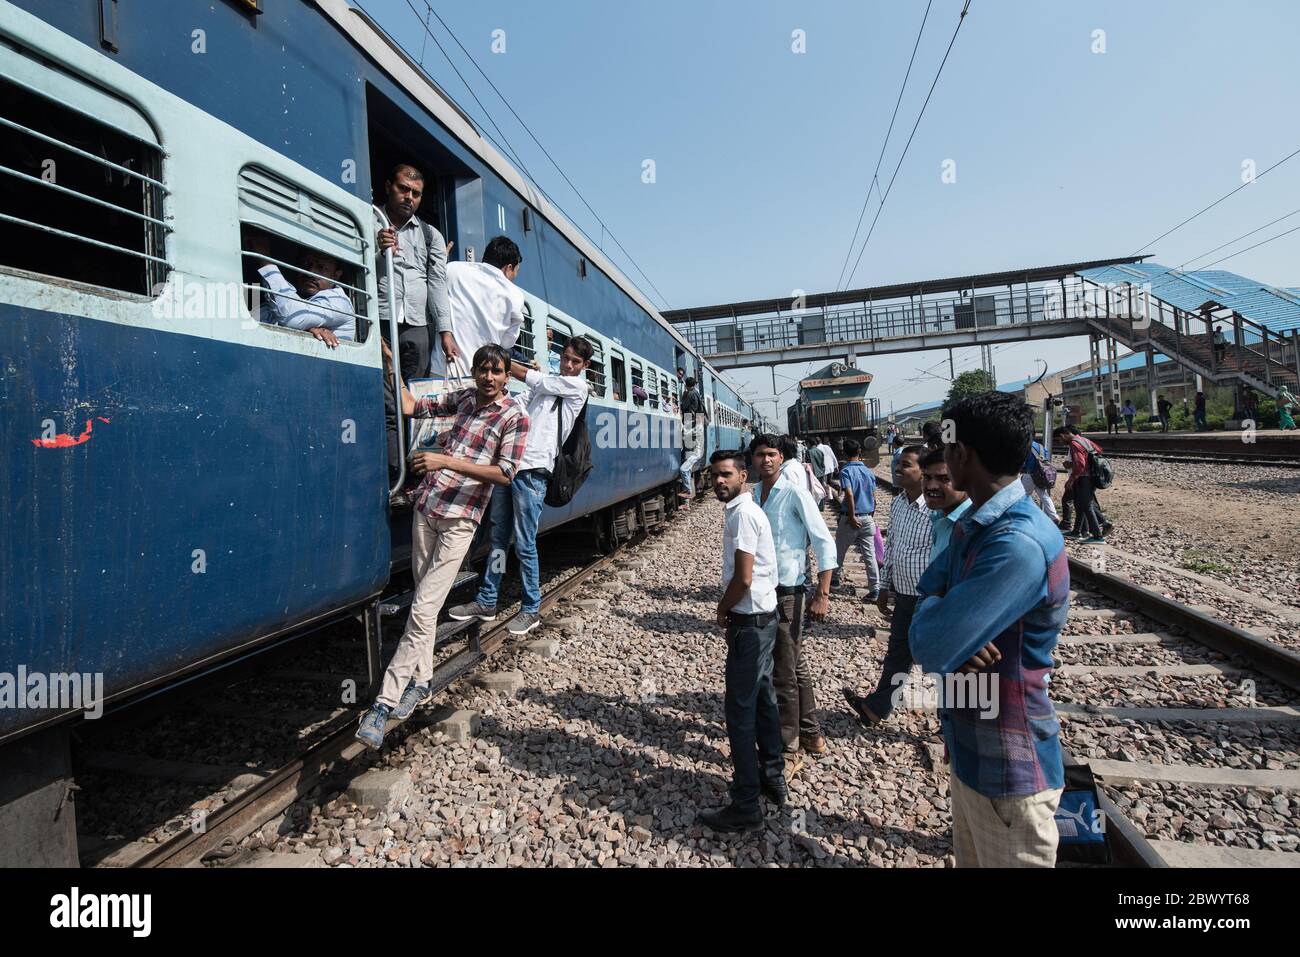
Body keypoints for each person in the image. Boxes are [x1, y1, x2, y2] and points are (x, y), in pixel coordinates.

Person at [909, 391, 1068, 868]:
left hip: (1010, 769)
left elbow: (929, 644)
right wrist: (951, 620)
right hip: (974, 755)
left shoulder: (1016, 543)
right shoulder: (976, 526)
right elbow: (926, 590)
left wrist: (947, 625)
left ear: (964, 453)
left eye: (948, 443)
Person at [357, 344, 529, 749]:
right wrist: (390, 362)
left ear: (507, 376)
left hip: (461, 518)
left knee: (422, 608)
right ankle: (423, 681)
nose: (488, 377)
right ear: (473, 372)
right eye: (482, 370)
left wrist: (444, 461)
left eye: (497, 371)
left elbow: (505, 474)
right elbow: (412, 406)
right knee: (426, 607)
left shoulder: (514, 416)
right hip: (428, 506)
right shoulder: (465, 398)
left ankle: (382, 706)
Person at [448, 337, 593, 635]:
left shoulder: (577, 387)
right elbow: (517, 401)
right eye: (565, 358)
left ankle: (531, 609)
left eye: (575, 362)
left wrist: (505, 362)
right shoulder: (545, 385)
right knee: (499, 538)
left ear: (585, 366)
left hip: (534, 471)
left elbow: (535, 380)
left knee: (525, 544)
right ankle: (487, 600)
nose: (567, 365)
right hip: (509, 465)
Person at [699, 450, 784, 832]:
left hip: (749, 623)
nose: (719, 481)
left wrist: (722, 608)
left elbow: (744, 577)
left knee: (740, 712)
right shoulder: (741, 511)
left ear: (742, 475)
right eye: (715, 475)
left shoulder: (744, 515)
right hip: (761, 621)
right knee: (763, 699)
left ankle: (746, 803)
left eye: (726, 475)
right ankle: (772, 778)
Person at [750, 435, 837, 766]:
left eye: (771, 454)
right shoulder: (755, 496)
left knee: (783, 671)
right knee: (794, 663)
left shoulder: (795, 493)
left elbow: (823, 541)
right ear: (753, 460)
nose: (766, 460)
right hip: (761, 592)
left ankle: (788, 744)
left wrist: (822, 593)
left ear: (781, 458)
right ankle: (811, 732)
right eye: (760, 455)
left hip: (789, 593)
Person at [843, 444, 930, 726]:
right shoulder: (899, 503)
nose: (898, 469)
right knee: (898, 653)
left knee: (941, 661)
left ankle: (953, 726)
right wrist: (884, 586)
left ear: (924, 471)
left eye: (906, 465)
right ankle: (876, 708)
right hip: (904, 593)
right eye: (898, 464)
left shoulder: (936, 510)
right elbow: (891, 547)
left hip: (929, 597)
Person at [374, 163, 451, 380]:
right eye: (403, 189)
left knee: (416, 391)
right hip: (380, 318)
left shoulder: (431, 235)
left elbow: (437, 284)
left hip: (418, 325)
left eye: (416, 193)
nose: (409, 197)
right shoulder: (369, 220)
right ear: (389, 187)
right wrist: (381, 252)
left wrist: (446, 331)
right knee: (386, 392)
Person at [431, 236, 525, 381]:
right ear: (509, 268)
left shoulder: (453, 269)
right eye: (515, 273)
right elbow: (507, 342)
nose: (514, 278)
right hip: (481, 377)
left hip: (442, 370)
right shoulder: (515, 295)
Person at [250, 239, 355, 346]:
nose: (310, 273)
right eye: (306, 263)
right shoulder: (297, 300)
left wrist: (264, 259)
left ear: (335, 276)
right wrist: (307, 328)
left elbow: (292, 317)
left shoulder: (339, 301)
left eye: (321, 267)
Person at [829, 438, 881, 600]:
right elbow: (874, 497)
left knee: (840, 551)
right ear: (859, 452)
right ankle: (875, 589)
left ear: (844, 452)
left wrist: (851, 516)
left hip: (851, 518)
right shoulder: (868, 471)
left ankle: (835, 580)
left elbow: (849, 494)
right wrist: (870, 515)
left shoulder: (846, 471)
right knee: (869, 555)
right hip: (867, 517)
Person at [1057, 425, 1105, 543]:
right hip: (1092, 476)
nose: (1059, 442)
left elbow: (1080, 465)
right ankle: (1079, 531)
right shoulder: (1084, 440)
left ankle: (1098, 535)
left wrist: (1071, 480)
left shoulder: (1074, 443)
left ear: (1062, 435)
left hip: (1083, 478)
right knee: (1081, 504)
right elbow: (1099, 450)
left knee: (1086, 506)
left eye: (1059, 439)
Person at [920, 447, 971, 557]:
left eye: (944, 478)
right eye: (927, 477)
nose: (932, 486)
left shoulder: (971, 528)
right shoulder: (938, 517)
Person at [678, 377, 709, 504]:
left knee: (685, 467)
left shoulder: (690, 394)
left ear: (686, 385)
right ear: (695, 384)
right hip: (698, 422)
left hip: (693, 422)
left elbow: (684, 407)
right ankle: (687, 495)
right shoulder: (697, 393)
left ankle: (688, 492)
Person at [1021, 437, 1060, 523]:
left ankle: (1026, 515)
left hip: (1029, 475)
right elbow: (1046, 458)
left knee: (1024, 496)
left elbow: (1023, 462)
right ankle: (1054, 516)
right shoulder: (1041, 446)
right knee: (1044, 495)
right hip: (1041, 474)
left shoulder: (1025, 446)